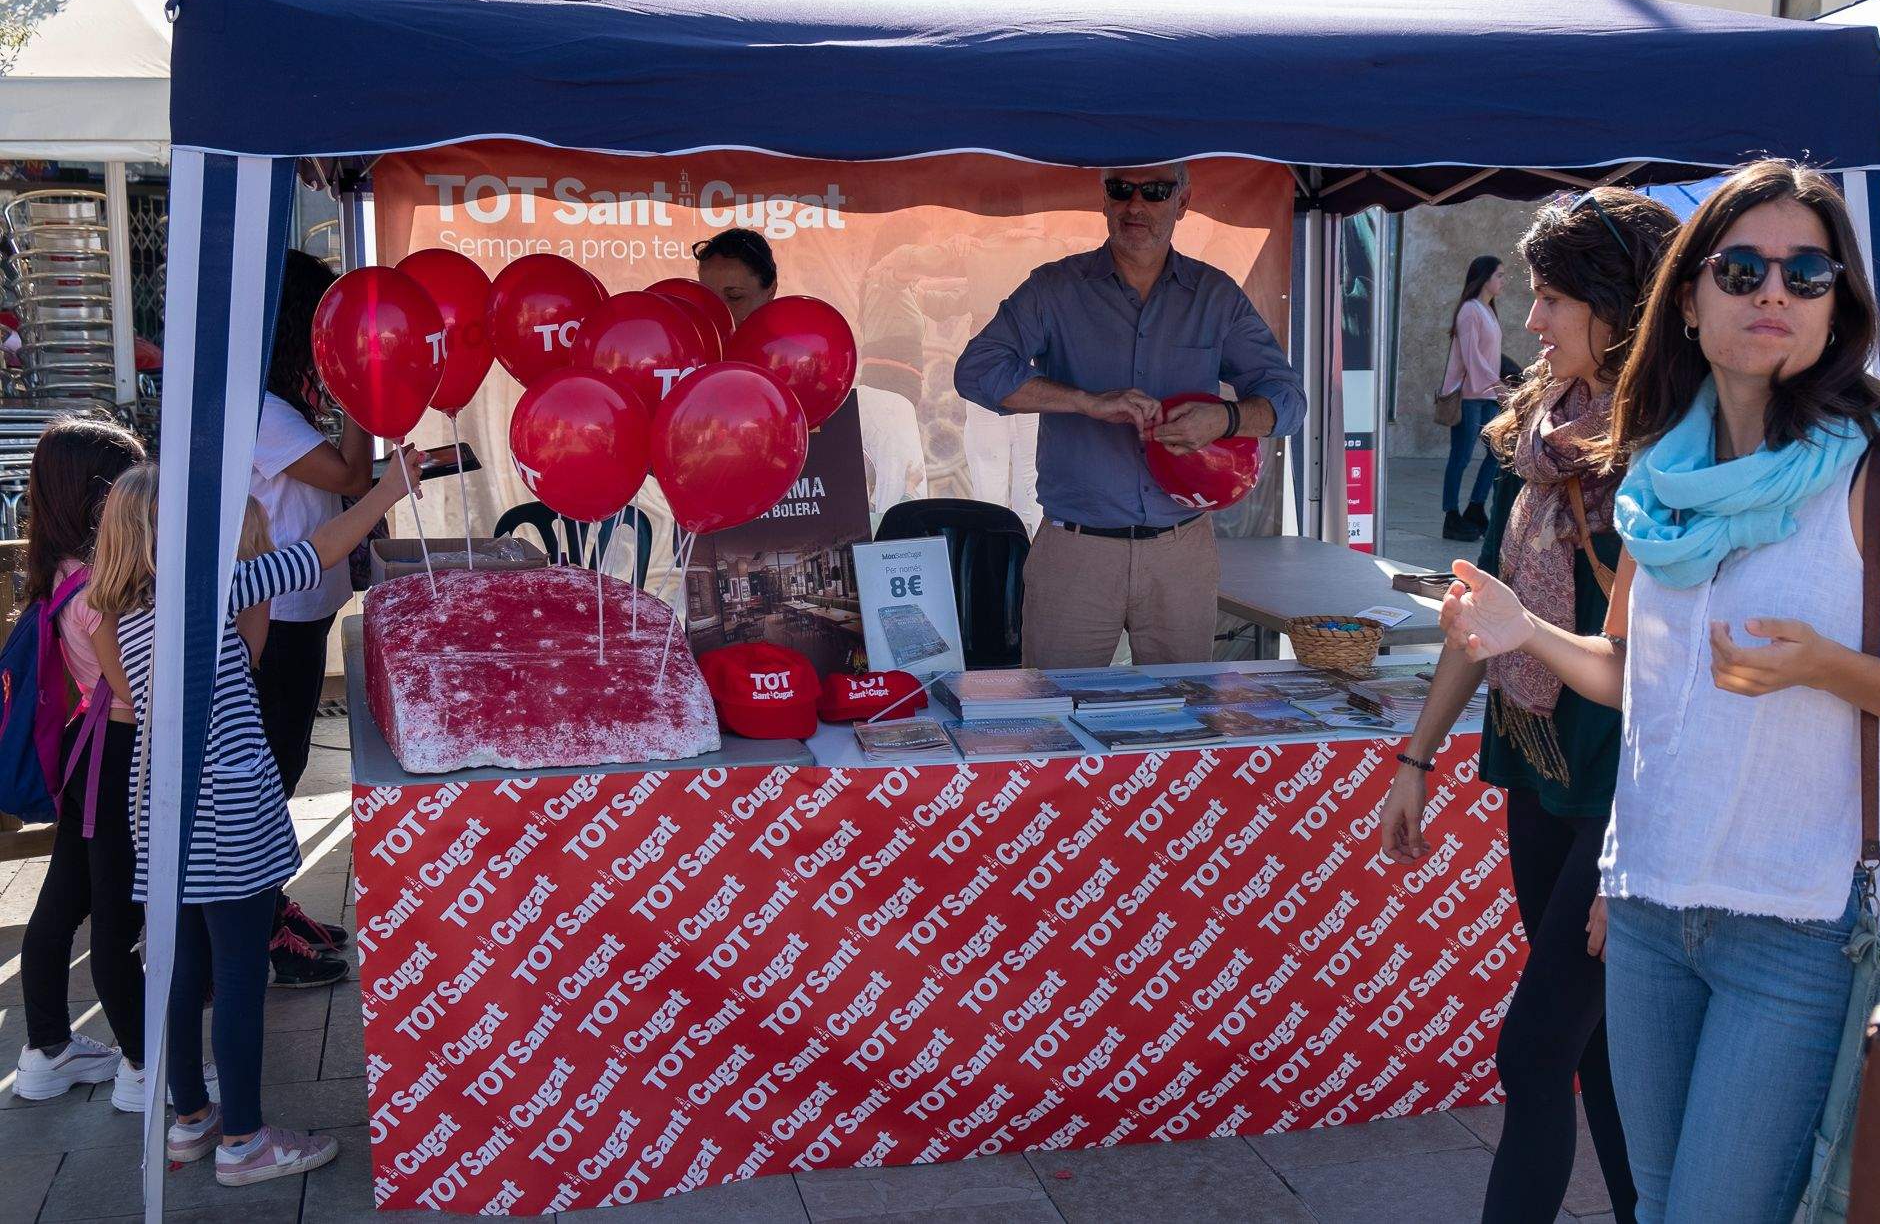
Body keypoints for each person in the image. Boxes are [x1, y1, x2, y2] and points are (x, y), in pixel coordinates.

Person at [1438, 160, 1880, 1223]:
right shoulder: (1661, 466)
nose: (1773, 293)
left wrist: (1826, 667)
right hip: (1653, 906)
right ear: (1689, 299)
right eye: (1743, 267)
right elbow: (1631, 678)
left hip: (1797, 924)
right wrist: (1523, 634)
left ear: (1839, 301)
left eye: (1807, 274)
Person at [1381, 189, 1674, 1223]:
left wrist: (1627, 855)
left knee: (1534, 1045)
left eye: (1552, 299)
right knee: (1588, 1048)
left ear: (1619, 306)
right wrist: (1415, 760)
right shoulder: (1547, 428)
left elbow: (1642, 671)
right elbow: (1482, 612)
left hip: (1620, 794)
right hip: (1537, 767)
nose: (1532, 321)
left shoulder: (1664, 460)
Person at [87, 446, 424, 1187]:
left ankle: (190, 1115)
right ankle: (244, 1140)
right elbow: (321, 553)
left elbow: (146, 698)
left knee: (176, 966)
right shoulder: (212, 590)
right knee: (241, 971)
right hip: (227, 805)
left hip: (164, 807)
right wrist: (389, 488)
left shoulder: (116, 617)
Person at [953, 162, 1306, 668]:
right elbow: (977, 371)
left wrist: (1224, 420)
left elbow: (1288, 399)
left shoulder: (1215, 296)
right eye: (1121, 190)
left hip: (1180, 549)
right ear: (1103, 199)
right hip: (1076, 551)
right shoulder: (1056, 288)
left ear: (1182, 203)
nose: (1134, 206)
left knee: (1184, 720)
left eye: (1155, 191)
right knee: (1057, 721)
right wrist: (1086, 401)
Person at [13, 416, 148, 1109]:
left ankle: (45, 1048)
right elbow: (132, 690)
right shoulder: (103, 586)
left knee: (64, 897)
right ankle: (143, 1066)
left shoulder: (55, 573)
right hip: (113, 752)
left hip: (75, 748)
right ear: (100, 497)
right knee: (116, 913)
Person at [250, 249, 362, 987]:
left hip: (304, 606)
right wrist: (360, 398)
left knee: (283, 763)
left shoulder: (281, 403)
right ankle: (256, 923)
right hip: (279, 614)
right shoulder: (260, 409)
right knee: (274, 768)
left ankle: (267, 905)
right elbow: (348, 474)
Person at [693, 229, 931, 522]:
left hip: (820, 506)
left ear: (770, 289)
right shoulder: (694, 366)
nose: (723, 313)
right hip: (734, 519)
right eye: (709, 300)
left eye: (735, 297)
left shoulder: (803, 352)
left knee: (893, 411)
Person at [1441, 256, 1508, 541]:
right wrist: (1497, 383)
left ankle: (1476, 506)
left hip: (1488, 395)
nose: (1503, 280)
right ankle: (1451, 516)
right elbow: (1472, 357)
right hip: (1469, 396)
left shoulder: (1488, 310)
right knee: (1461, 456)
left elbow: (1490, 356)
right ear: (1485, 278)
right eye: (1500, 275)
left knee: (1496, 453)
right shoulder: (1470, 310)